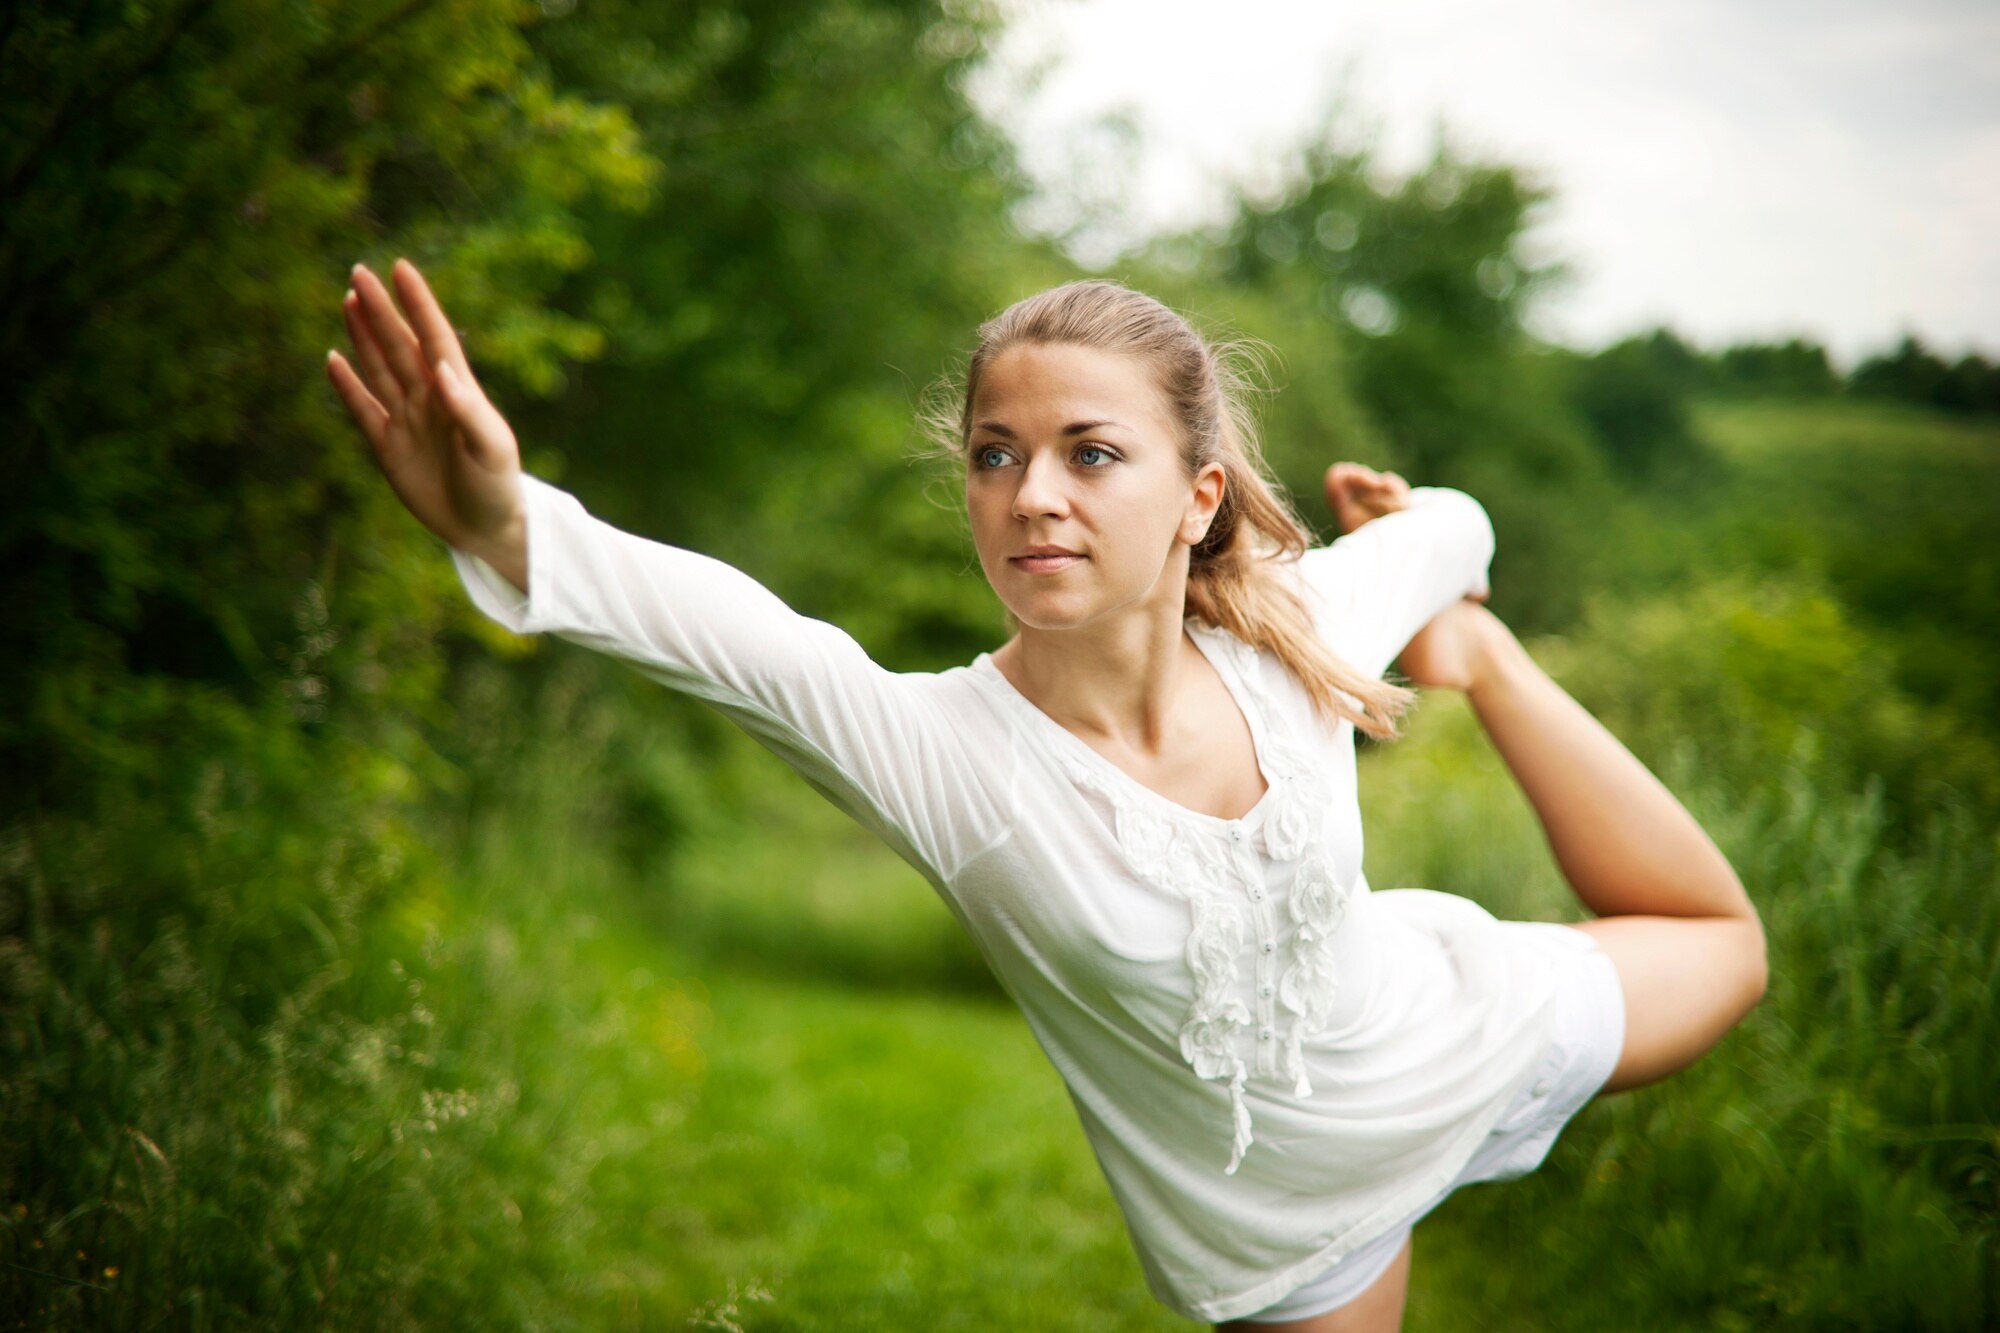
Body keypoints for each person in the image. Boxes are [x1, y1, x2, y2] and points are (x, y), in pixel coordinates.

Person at [325, 258, 1769, 1331]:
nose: (1032, 495)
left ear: (1198, 495)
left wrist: (1442, 564)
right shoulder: (948, 757)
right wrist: (512, 521)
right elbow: (728, 632)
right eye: (995, 457)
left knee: (1730, 943)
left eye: (1091, 453)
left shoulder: (1303, 622)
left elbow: (1459, 520)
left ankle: (1496, 668)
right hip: (1295, 1234)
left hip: (1453, 1026)